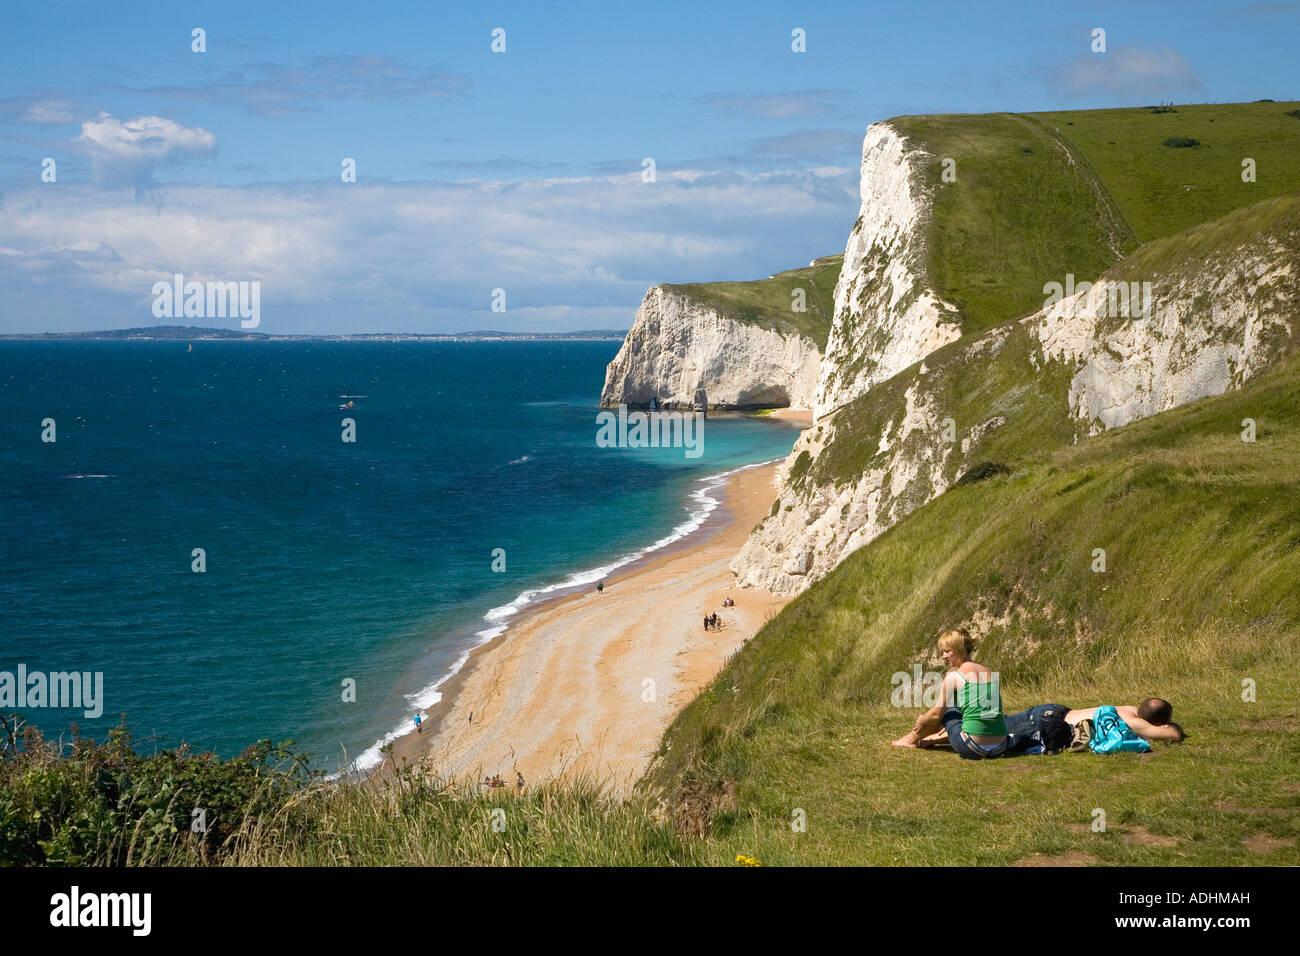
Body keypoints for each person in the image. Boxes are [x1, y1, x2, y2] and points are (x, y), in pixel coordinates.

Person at [892, 628, 1007, 759]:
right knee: (957, 706)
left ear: (960, 650)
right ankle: (935, 737)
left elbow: (936, 715)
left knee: (948, 710)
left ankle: (910, 740)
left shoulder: (954, 677)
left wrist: (921, 721)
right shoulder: (987, 671)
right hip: (1000, 747)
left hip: (974, 748)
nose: (944, 656)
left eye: (947, 651)